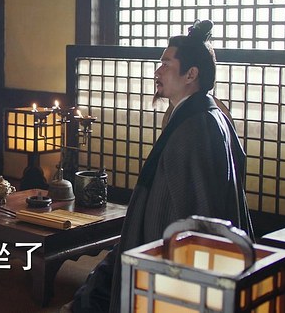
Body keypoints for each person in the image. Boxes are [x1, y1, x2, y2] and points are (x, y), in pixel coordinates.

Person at [65, 20, 254, 312]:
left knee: (103, 290)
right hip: (160, 237)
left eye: (166, 64)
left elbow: (197, 210)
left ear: (191, 74)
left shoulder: (196, 127)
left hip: (170, 246)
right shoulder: (202, 113)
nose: (157, 71)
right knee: (100, 285)